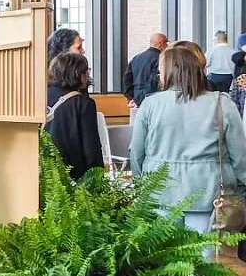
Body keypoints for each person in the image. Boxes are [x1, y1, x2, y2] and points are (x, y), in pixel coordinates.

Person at [130, 46, 246, 236]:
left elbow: (136, 153)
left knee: (164, 257)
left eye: (161, 68)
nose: (159, 73)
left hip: (160, 191)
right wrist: (241, 189)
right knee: (202, 258)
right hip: (209, 191)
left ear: (170, 70)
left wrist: (141, 185)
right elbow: (240, 155)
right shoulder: (221, 102)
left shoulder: (150, 105)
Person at [44, 52, 104, 179]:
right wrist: (97, 181)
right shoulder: (83, 103)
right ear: (78, 74)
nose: (88, 75)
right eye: (86, 71)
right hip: (73, 175)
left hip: (45, 172)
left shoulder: (41, 96)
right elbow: (91, 148)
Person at [123, 33, 167, 108]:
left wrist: (131, 97)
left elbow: (127, 79)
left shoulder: (136, 58)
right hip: (155, 99)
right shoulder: (162, 59)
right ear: (161, 43)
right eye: (166, 42)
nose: (167, 45)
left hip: (137, 100)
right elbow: (155, 81)